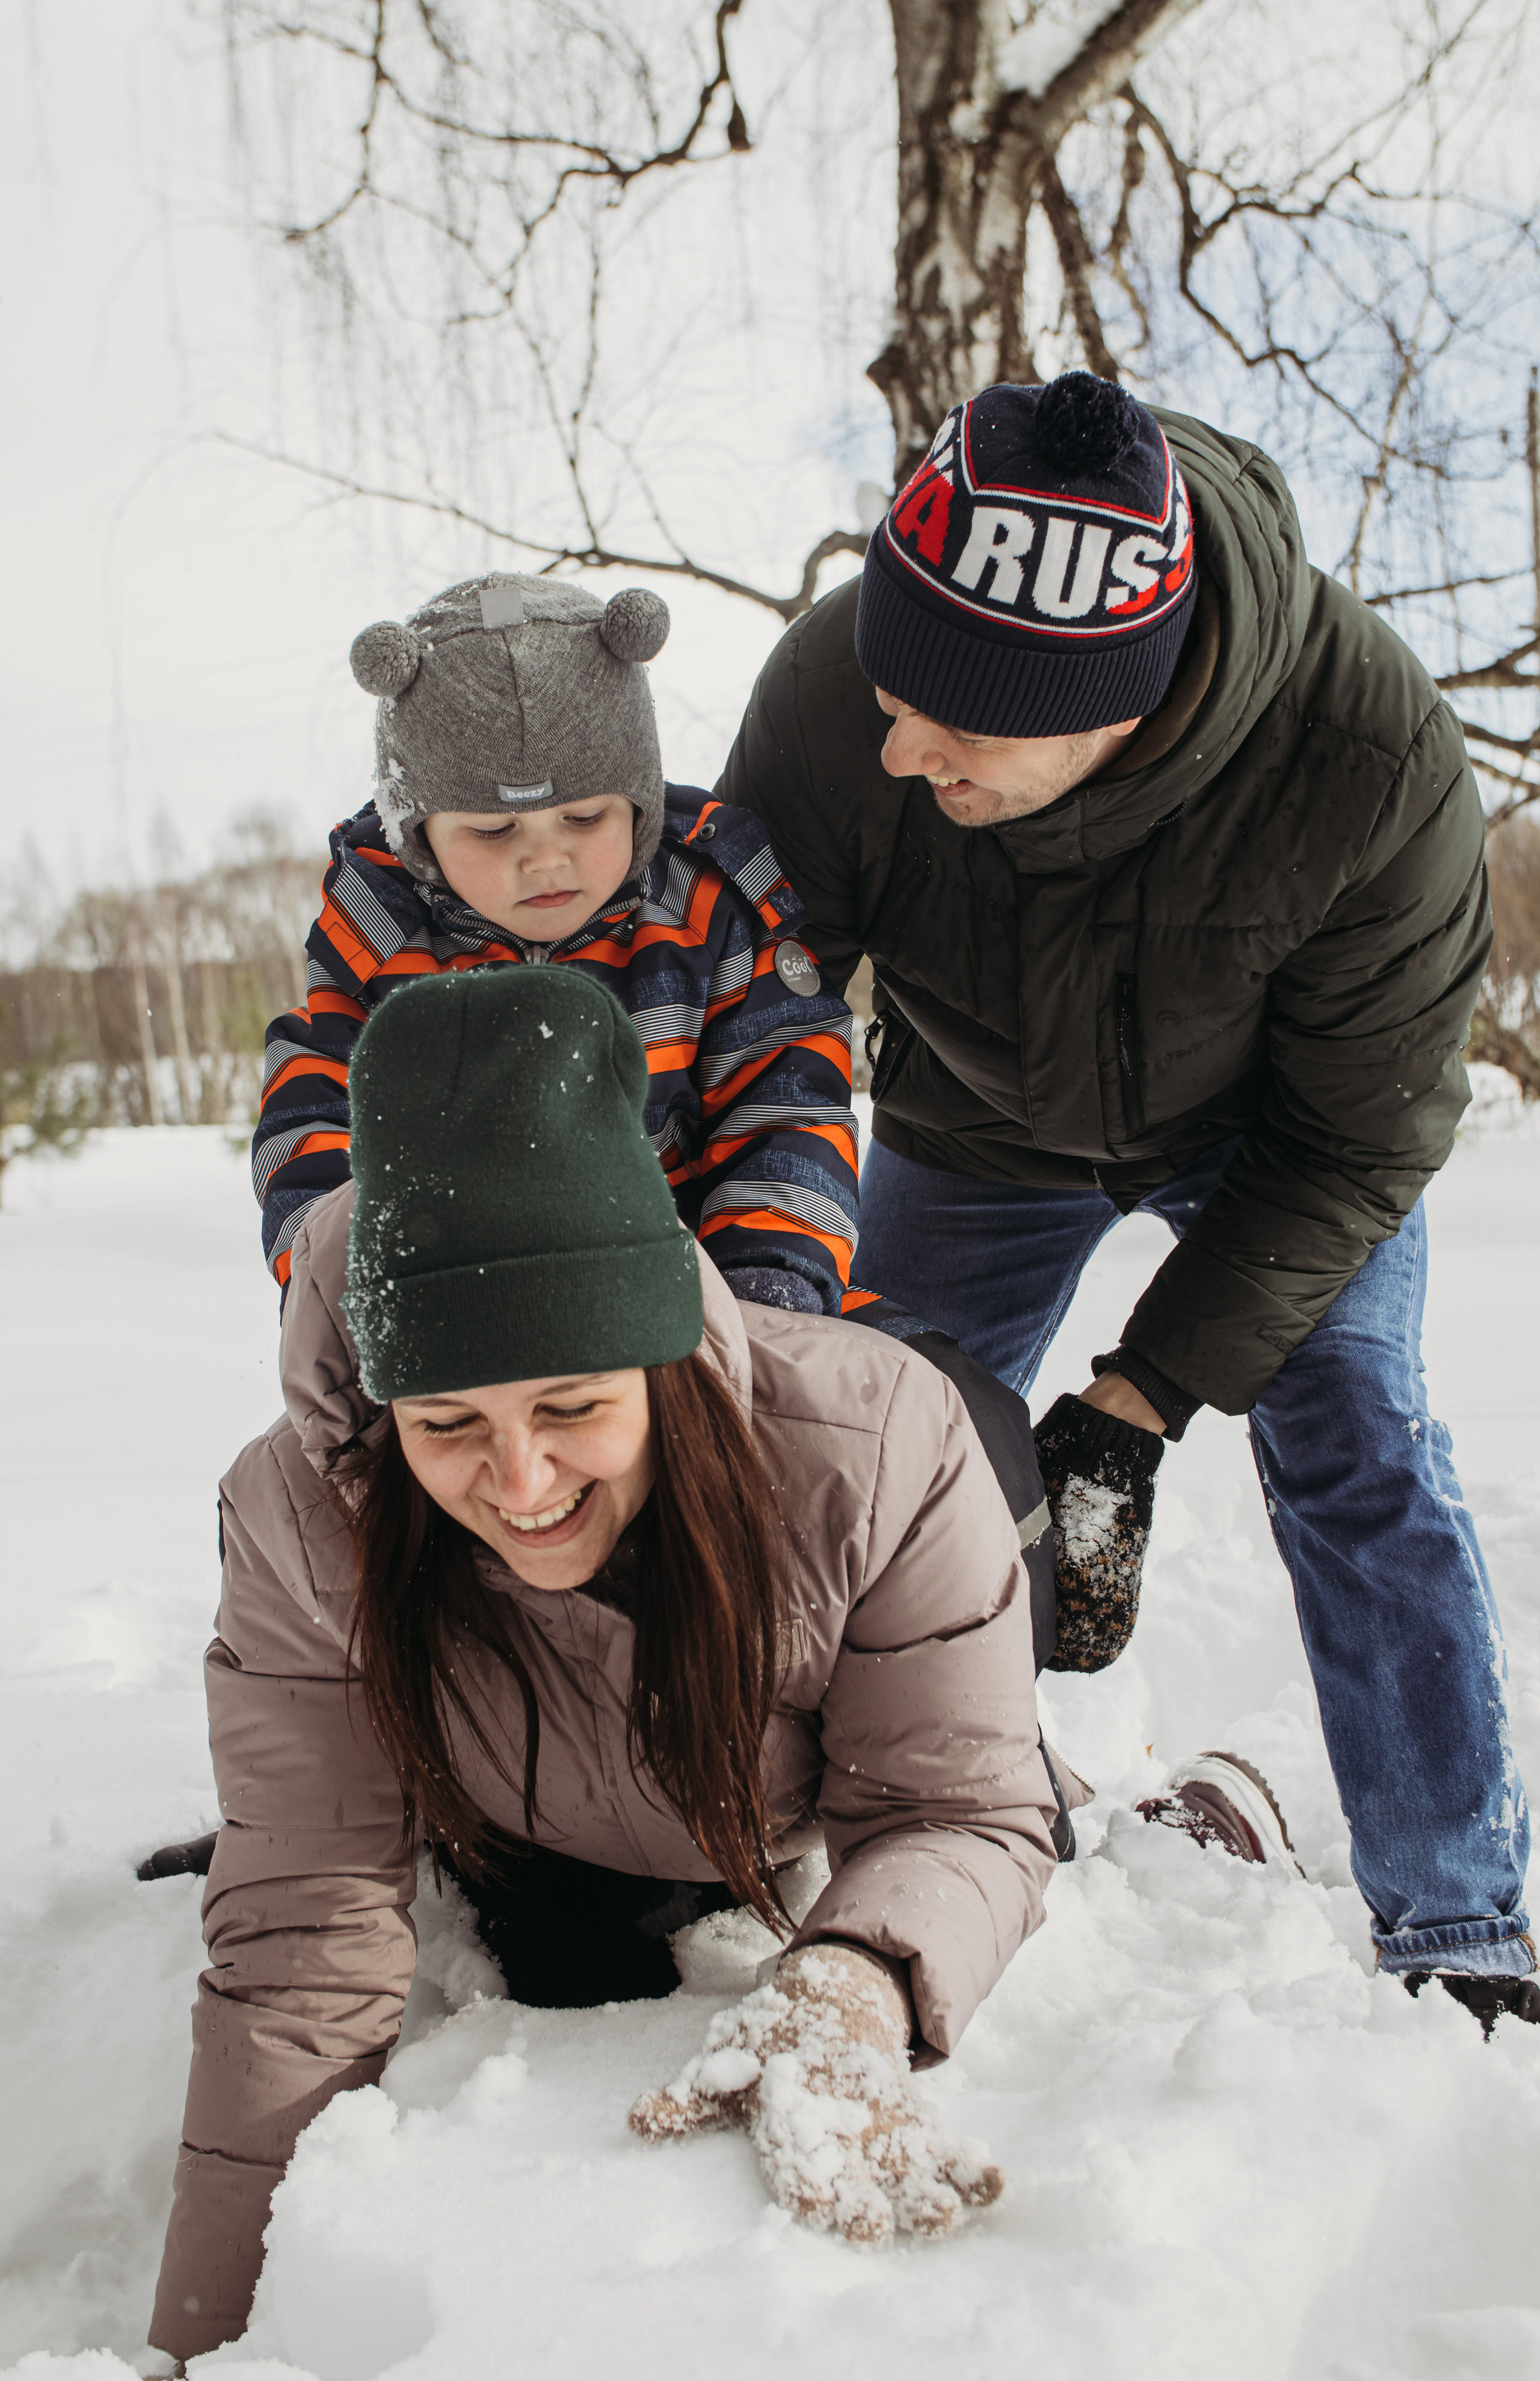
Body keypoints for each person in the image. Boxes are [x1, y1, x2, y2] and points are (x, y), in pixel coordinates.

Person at [718, 370, 1536, 2029]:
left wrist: (1140, 1398)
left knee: (1361, 1441)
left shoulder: (1366, 755)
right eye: (894, 679)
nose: (897, 739)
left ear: (1121, 700)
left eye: (959, 718)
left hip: (1271, 1138)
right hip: (971, 1118)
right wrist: (769, 1287)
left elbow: (1364, 1138)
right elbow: (754, 1011)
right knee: (822, 1440)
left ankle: (1461, 1920)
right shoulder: (836, 688)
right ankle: (759, 1814)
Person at [147, 963, 1076, 2366]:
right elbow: (300, 1946)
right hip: (569, 1811)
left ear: (653, 1359)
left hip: (866, 1654)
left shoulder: (871, 1446)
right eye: (446, 1419)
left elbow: (946, 1807)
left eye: (571, 1405)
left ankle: (1150, 1793)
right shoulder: (299, 1515)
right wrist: (200, 2349)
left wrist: (855, 1982)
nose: (516, 1478)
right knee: (571, 1941)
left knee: (999, 1761)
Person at [252, 571, 859, 1318]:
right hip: (474, 1319)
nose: (545, 860)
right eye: (493, 830)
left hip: (706, 1293)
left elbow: (784, 1105)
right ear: (418, 834)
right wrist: (364, 1309)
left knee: (934, 1395)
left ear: (636, 797)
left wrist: (767, 1288)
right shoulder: (377, 946)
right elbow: (316, 1134)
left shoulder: (707, 912)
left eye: (583, 819)